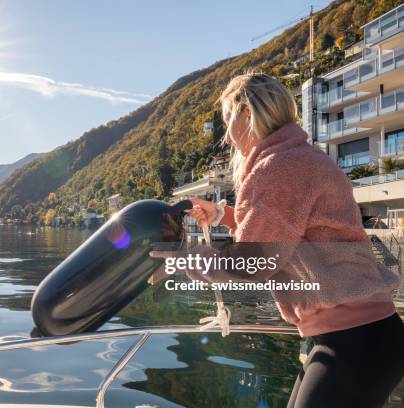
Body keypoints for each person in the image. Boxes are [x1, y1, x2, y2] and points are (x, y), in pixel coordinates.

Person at [153, 72, 404, 407]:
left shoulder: (279, 169)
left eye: (228, 120)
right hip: (357, 336)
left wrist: (182, 259)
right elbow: (287, 228)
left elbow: (250, 264)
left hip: (354, 341)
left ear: (246, 112)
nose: (227, 139)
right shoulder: (299, 159)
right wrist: (219, 215)